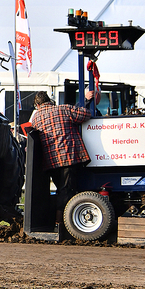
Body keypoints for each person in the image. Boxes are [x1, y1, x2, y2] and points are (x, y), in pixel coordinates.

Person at [31, 90, 95, 222]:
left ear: (37, 105)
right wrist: (86, 101)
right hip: (68, 157)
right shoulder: (64, 109)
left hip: (50, 161)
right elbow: (85, 114)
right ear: (50, 101)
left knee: (61, 190)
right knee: (66, 192)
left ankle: (59, 220)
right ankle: (60, 222)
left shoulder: (36, 118)